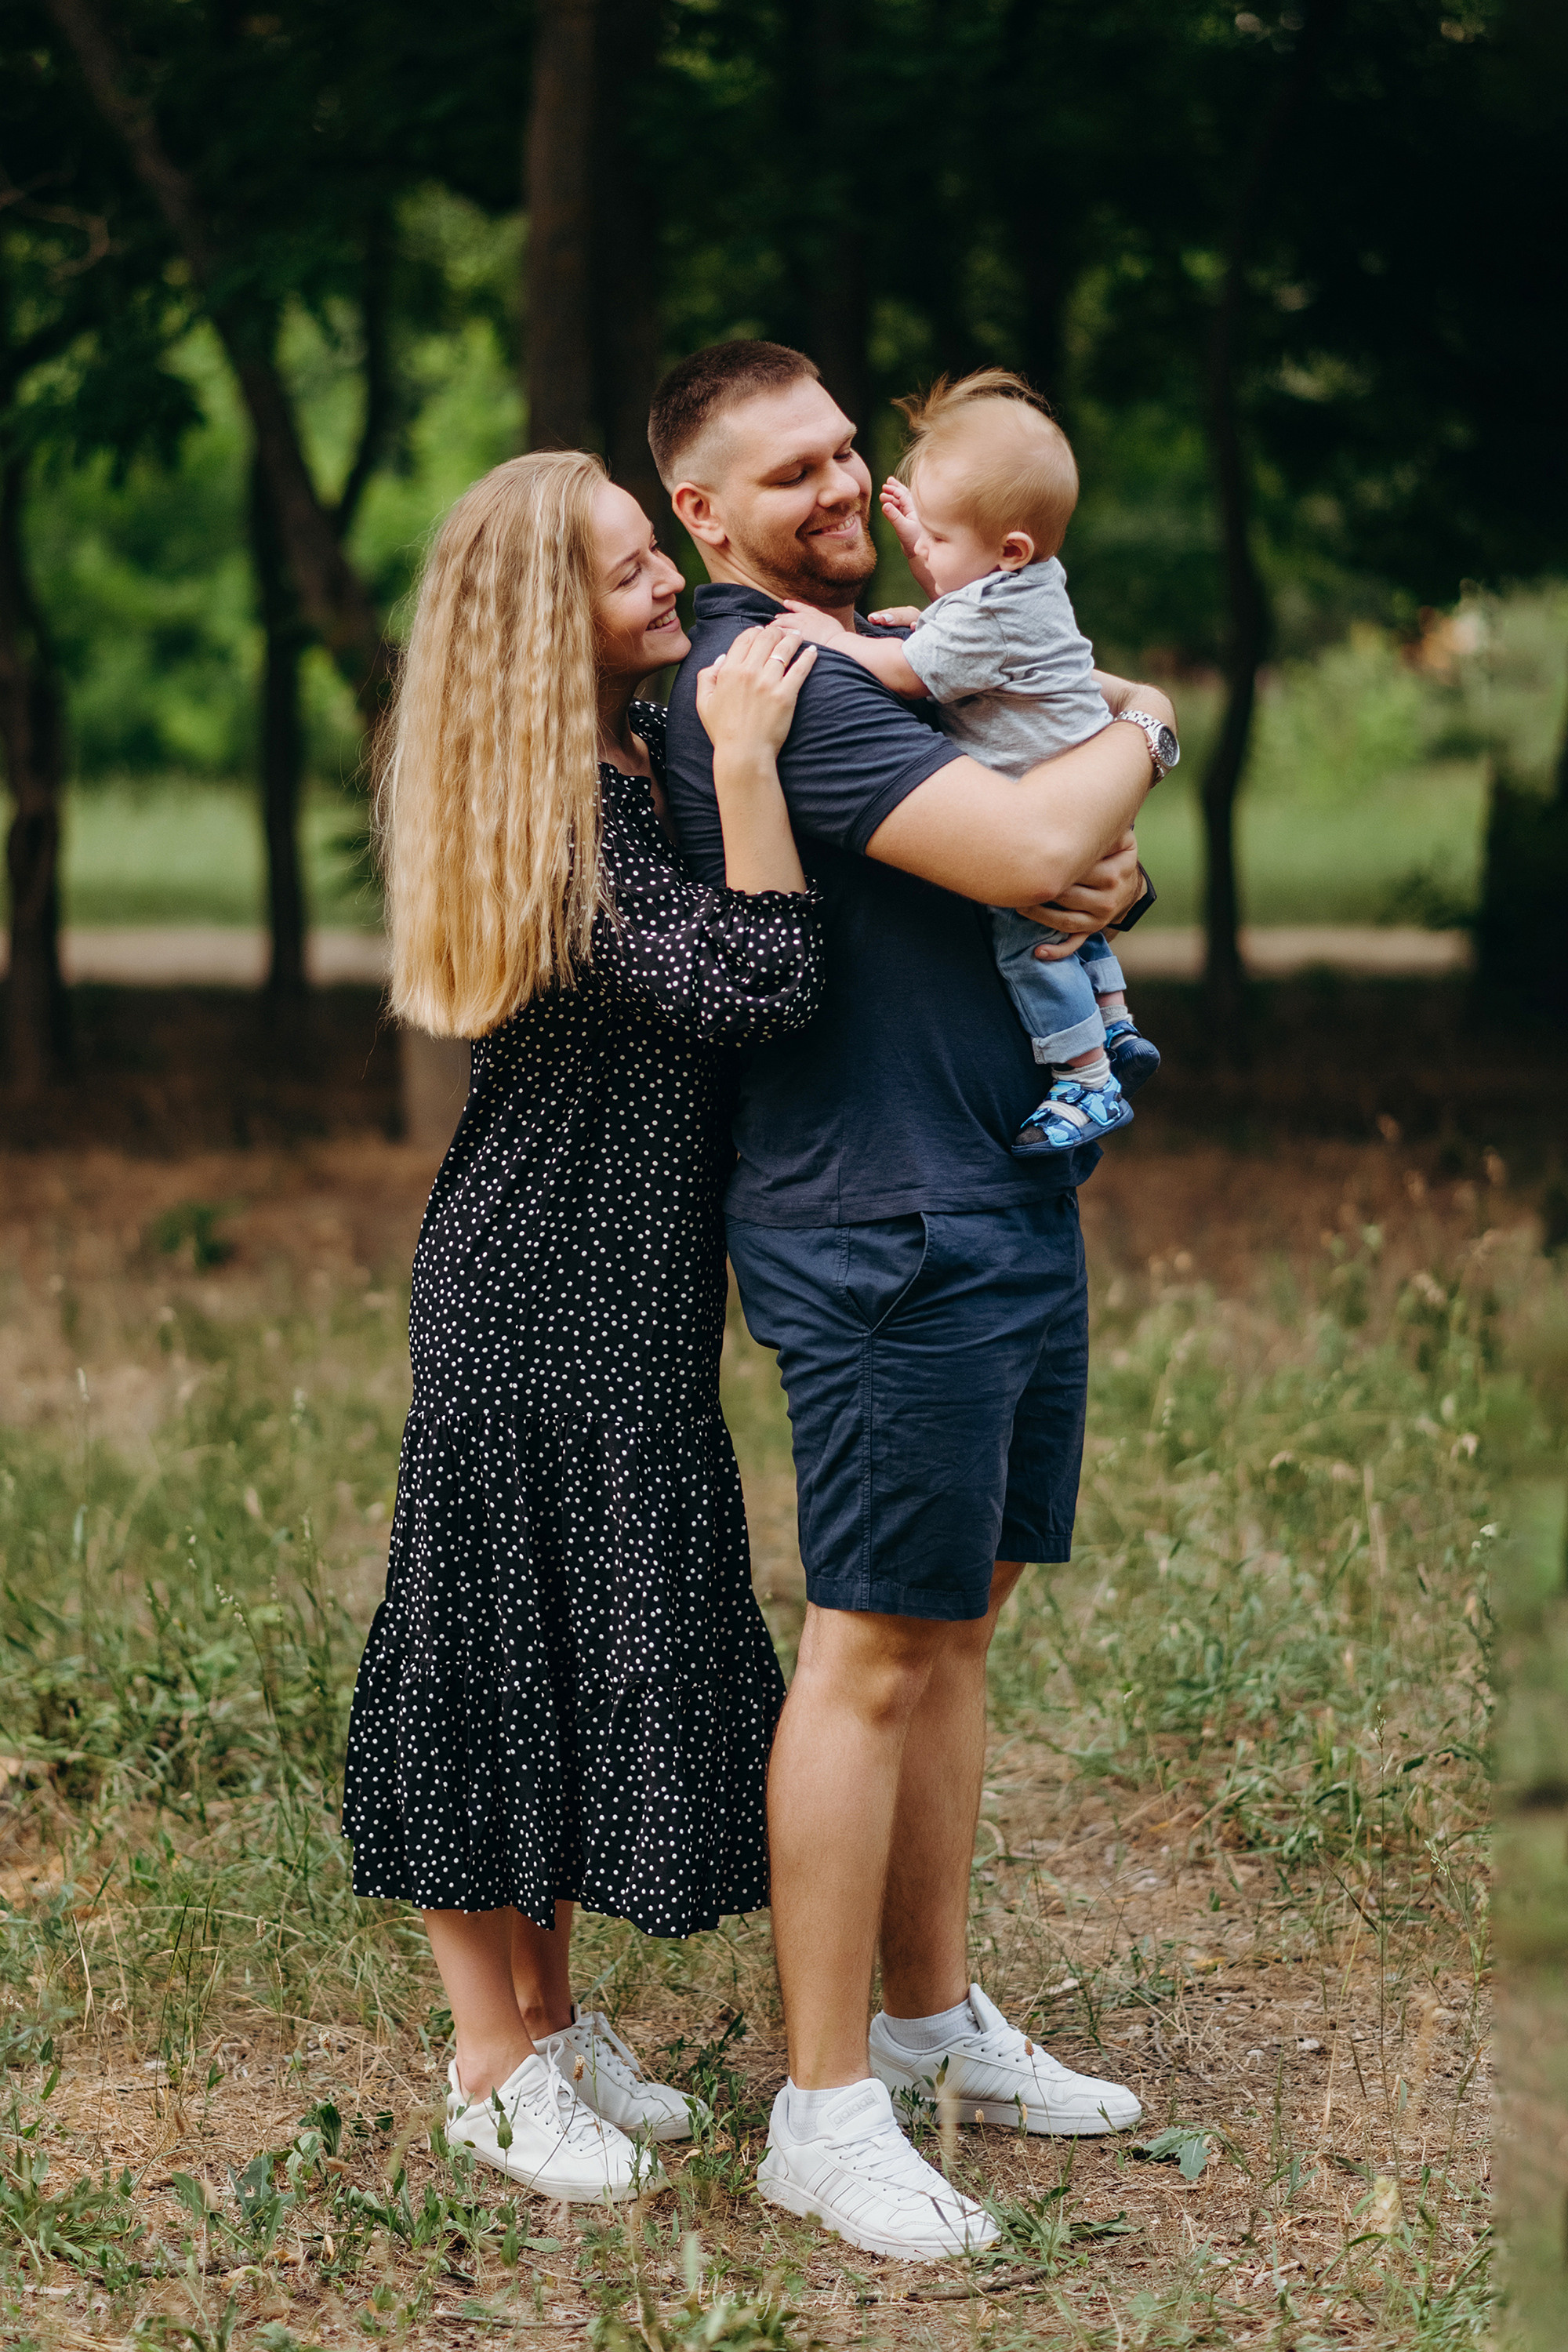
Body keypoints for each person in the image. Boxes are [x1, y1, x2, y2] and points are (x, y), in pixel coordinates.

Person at [653, 341, 1176, 2261]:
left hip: (1002, 1186)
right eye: (784, 471)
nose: (841, 490)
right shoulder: (766, 679)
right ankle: (820, 2110)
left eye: (847, 453)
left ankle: (928, 2014)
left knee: (953, 1625)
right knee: (873, 1646)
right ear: (698, 511)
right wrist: (1151, 724)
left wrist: (1082, 851)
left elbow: (1056, 864)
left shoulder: (897, 650)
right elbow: (1047, 839)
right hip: (884, 1221)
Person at [342, 449, 825, 2203]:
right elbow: (764, 986)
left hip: (624, 1299)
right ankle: (488, 2061)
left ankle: (550, 2023)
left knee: (564, 1648)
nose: (667, 586)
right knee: (491, 1670)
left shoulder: (621, 760)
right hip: (533, 1289)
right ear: (551, 617)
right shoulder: (555, 804)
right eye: (628, 569)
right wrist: (759, 769)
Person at [780, 365, 1171, 1160]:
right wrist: (1153, 714)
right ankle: (1119, 1023)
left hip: (1036, 789)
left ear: (1007, 549)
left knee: (1025, 942)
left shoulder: (975, 621)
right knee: (1082, 926)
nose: (920, 550)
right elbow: (967, 605)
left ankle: (1086, 1077)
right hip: (1076, 773)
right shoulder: (1028, 582)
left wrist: (836, 641)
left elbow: (906, 670)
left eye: (938, 539)